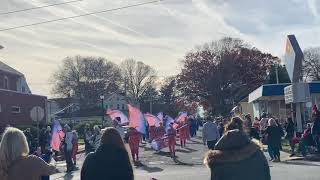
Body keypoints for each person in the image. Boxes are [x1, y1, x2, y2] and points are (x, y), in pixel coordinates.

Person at [204, 117, 270, 180]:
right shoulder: (256, 152)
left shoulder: (217, 159)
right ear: (243, 131)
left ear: (225, 132)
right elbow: (266, 175)